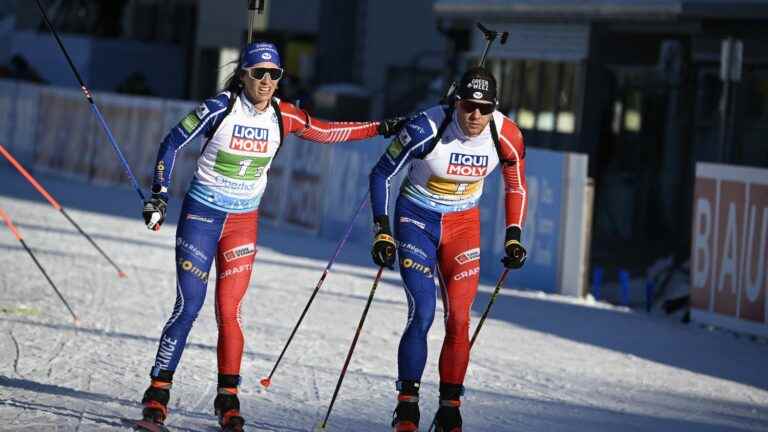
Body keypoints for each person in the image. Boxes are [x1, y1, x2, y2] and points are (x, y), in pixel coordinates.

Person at [138, 41, 404, 431]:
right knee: (188, 306)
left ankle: (227, 398)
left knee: (230, 312)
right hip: (202, 216)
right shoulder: (219, 108)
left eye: (273, 74)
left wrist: (380, 128)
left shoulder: (284, 115)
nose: (266, 81)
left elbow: (328, 132)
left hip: (243, 222)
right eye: (258, 73)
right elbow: (171, 143)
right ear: (243, 73)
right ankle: (158, 391)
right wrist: (159, 195)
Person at [368, 66, 528, 432]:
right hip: (417, 220)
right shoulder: (426, 128)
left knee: (458, 318)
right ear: (456, 102)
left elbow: (515, 185)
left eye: (484, 108)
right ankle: (407, 407)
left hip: (463, 226)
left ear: (494, 108)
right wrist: (382, 230)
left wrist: (514, 235)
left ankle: (450, 409)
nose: (475, 115)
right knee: (422, 312)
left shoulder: (505, 134)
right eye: (469, 105)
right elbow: (382, 173)